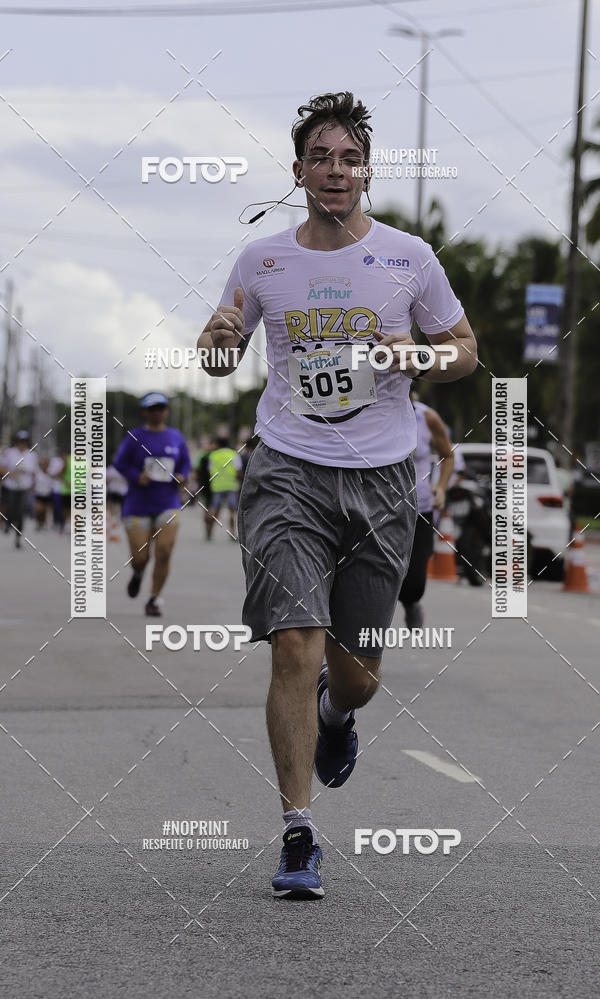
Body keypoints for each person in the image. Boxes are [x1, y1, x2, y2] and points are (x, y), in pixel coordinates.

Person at [197, 92, 478, 898]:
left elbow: (463, 350)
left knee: (355, 673)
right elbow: (222, 353)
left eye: (348, 158)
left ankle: (336, 715)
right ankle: (297, 832)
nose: (335, 170)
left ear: (365, 170)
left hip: (385, 480)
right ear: (298, 172)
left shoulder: (408, 257)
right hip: (287, 468)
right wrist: (213, 346)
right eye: (320, 157)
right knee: (295, 641)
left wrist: (421, 357)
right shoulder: (263, 261)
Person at [113, 392, 191, 617]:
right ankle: (138, 574)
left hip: (167, 502)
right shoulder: (135, 436)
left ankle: (154, 598)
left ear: (166, 410)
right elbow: (119, 463)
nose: (156, 412)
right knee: (140, 558)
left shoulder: (175, 437)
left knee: (165, 552)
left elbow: (185, 464)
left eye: (160, 407)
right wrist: (136, 476)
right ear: (145, 412)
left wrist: (182, 476)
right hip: (137, 505)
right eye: (152, 408)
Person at [399, 388, 455, 629]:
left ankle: (411, 603)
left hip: (419, 508)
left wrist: (441, 486)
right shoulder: (371, 412)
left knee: (413, 584)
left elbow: (447, 455)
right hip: (376, 507)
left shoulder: (427, 418)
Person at [0, 430, 38, 548]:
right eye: (20, 441)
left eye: (24, 441)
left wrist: (33, 483)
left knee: (21, 512)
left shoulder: (31, 455)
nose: (22, 444)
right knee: (11, 508)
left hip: (24, 486)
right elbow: (2, 466)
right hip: (11, 486)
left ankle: (18, 537)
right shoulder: (10, 453)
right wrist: (10, 474)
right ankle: (8, 523)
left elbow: (35, 471)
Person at [204, 436, 242, 541]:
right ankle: (232, 533)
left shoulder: (213, 455)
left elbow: (209, 470)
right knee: (232, 510)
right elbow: (238, 470)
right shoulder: (233, 454)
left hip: (217, 485)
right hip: (231, 485)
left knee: (214, 509)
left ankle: (209, 531)